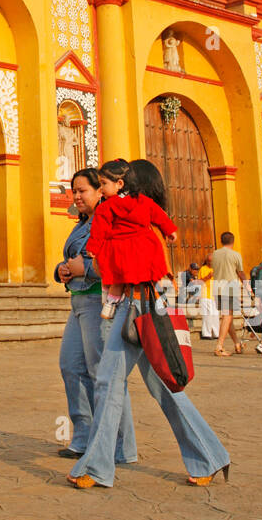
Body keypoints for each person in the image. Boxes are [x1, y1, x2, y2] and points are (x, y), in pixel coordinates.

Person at [67, 157, 230, 490]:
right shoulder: (135, 218)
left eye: (109, 183)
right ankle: (209, 455)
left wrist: (87, 266)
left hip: (139, 303)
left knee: (110, 383)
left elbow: (120, 262)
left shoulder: (138, 221)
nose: (105, 190)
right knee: (158, 386)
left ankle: (98, 466)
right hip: (137, 302)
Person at [55, 168, 137, 463]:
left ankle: (121, 447)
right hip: (78, 303)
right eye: (73, 191)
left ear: (100, 191)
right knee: (71, 367)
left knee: (104, 376)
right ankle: (83, 435)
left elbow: (116, 261)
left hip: (99, 303)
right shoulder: (82, 224)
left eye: (83, 191)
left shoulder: (109, 220)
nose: (76, 196)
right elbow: (70, 258)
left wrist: (84, 269)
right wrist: (62, 270)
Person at [88, 158, 177, 319]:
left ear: (121, 184)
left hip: (132, 288)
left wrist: (93, 249)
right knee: (154, 265)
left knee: (115, 276)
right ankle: (161, 289)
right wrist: (170, 230)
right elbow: (159, 216)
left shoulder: (106, 207)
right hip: (144, 246)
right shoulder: (144, 204)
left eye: (103, 183)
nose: (100, 189)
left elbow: (98, 231)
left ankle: (109, 302)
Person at [211, 231, 247, 356]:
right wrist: (247, 285)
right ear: (233, 241)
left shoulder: (214, 254)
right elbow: (240, 272)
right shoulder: (235, 255)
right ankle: (219, 346)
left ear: (221, 241)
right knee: (227, 316)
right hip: (229, 287)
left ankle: (237, 343)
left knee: (227, 317)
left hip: (217, 287)